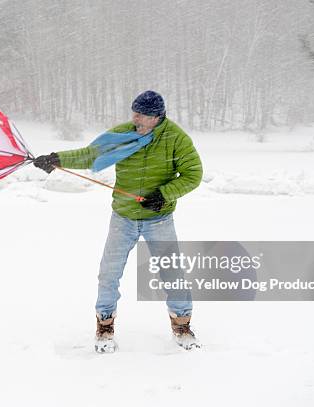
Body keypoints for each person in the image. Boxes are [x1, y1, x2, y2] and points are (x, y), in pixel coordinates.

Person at [34, 90, 203, 352]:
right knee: (109, 273)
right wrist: (56, 159)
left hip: (159, 219)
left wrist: (163, 194)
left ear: (156, 117)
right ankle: (105, 324)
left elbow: (193, 174)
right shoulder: (124, 133)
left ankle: (181, 325)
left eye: (141, 114)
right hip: (123, 217)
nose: (134, 117)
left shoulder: (176, 138)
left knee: (172, 273)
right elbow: (90, 154)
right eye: (134, 112)